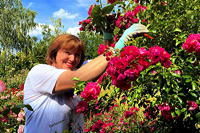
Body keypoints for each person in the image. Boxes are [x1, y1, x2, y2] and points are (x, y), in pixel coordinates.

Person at [23, 23, 148, 133]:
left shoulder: (78, 69)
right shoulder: (39, 72)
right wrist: (121, 43)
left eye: (77, 55)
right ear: (54, 53)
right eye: (67, 52)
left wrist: (108, 36)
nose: (72, 59)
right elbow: (78, 77)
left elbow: (101, 63)